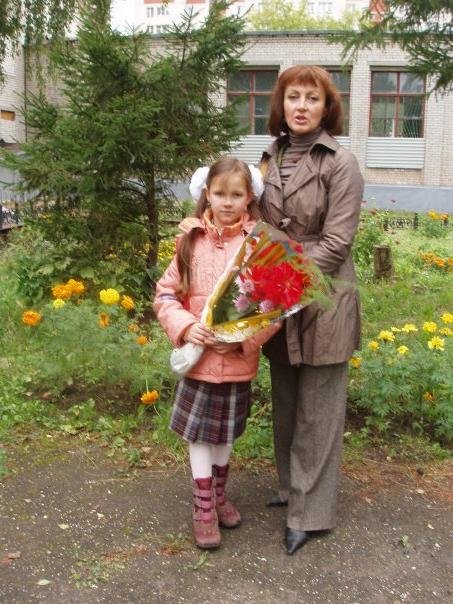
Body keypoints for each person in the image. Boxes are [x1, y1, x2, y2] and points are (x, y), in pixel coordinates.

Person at [259, 65, 364, 555]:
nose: (301, 106)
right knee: (286, 401)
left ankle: (310, 513)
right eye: (293, 97)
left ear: (327, 108)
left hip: (323, 295)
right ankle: (290, 489)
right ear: (281, 105)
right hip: (278, 295)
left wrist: (287, 280)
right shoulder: (269, 158)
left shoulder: (341, 163)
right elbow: (254, 222)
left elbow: (338, 242)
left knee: (318, 410)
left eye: (312, 98)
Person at [153, 156, 279, 550]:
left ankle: (220, 494)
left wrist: (243, 339)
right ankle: (203, 506)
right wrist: (186, 327)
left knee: (225, 432)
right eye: (220, 193)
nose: (227, 202)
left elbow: (273, 307)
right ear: (206, 193)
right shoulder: (189, 241)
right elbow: (166, 294)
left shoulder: (258, 246)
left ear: (249, 198)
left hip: (237, 360)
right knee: (199, 435)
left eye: (236, 194)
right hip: (200, 360)